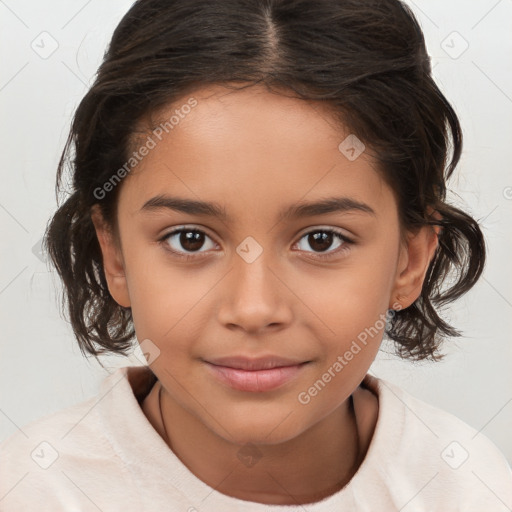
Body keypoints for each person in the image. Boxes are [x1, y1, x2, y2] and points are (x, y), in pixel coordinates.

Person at [1, 0, 511, 510]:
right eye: (190, 239)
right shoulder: (35, 491)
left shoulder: (467, 486)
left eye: (321, 240)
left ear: (410, 260)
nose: (254, 309)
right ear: (114, 255)